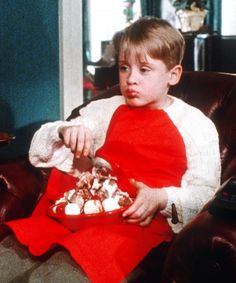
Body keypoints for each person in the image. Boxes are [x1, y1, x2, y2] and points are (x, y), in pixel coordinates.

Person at [2, 17, 221, 283]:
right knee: (7, 263)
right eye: (124, 68)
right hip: (80, 216)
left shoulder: (196, 125)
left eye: (144, 69)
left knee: (57, 276)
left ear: (173, 75)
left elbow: (206, 194)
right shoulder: (104, 109)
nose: (131, 80)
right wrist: (65, 131)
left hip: (135, 230)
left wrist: (161, 197)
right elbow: (41, 147)